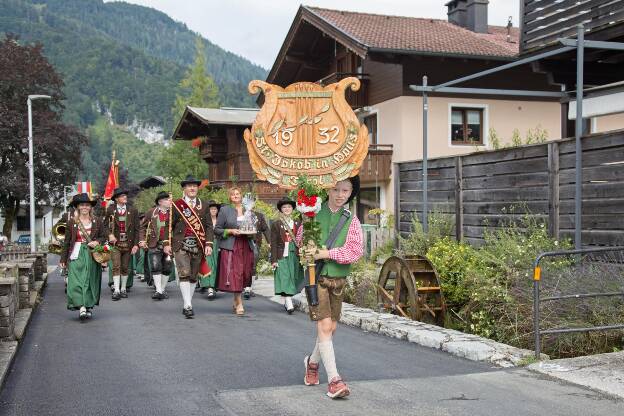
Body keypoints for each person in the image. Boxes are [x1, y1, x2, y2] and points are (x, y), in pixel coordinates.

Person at [300, 176, 363, 399]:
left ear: (350, 192)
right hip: (316, 278)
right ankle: (334, 380)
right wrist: (306, 245)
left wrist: (325, 253)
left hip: (339, 280)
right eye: (335, 189)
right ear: (327, 189)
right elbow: (301, 241)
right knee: (325, 326)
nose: (340, 194)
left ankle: (312, 363)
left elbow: (354, 252)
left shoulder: (351, 220)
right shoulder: (312, 212)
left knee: (331, 329)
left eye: (345, 190)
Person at [170, 175, 213, 318]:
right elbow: (168, 225)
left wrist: (208, 243)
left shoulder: (204, 205)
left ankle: (187, 302)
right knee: (185, 273)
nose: (192, 188)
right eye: (189, 186)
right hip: (180, 243)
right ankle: (188, 304)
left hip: (198, 244)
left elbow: (208, 226)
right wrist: (166, 243)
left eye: (194, 185)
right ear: (184, 188)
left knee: (194, 276)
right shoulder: (177, 205)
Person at [59, 193, 105, 321]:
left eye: (87, 205)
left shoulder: (98, 221)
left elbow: (103, 236)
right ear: (78, 207)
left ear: (90, 207)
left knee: (90, 280)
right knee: (76, 281)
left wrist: (97, 242)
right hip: (76, 253)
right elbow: (67, 242)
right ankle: (82, 307)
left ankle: (88, 305)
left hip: (92, 254)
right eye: (82, 205)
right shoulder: (71, 222)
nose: (84, 207)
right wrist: (63, 259)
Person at [214, 187, 255, 316]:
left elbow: (253, 228)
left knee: (245, 273)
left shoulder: (248, 210)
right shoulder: (225, 210)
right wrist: (230, 231)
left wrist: (251, 232)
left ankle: (236, 299)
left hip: (246, 245)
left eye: (238, 194)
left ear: (242, 196)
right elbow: (217, 229)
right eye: (233, 194)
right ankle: (239, 303)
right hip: (232, 246)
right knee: (235, 274)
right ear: (230, 197)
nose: (236, 196)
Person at [104, 188, 140, 301]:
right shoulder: (110, 210)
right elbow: (105, 226)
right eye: (122, 195)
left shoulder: (133, 210)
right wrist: (109, 235)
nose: (125, 197)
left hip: (128, 243)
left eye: (125, 195)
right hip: (115, 243)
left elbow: (137, 229)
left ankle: (123, 288)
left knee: (125, 267)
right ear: (116, 199)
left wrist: (136, 245)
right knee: (116, 266)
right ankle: (116, 290)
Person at [270, 197, 303, 314]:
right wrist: (273, 260)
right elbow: (273, 243)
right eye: (284, 207)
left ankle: (287, 298)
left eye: (289, 206)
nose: (287, 209)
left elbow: (301, 239)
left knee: (293, 276)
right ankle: (288, 301)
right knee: (284, 276)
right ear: (281, 209)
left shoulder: (298, 223)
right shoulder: (276, 224)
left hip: (295, 253)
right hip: (281, 253)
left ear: (292, 208)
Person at [139, 191, 173, 300]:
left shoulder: (174, 213)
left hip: (170, 245)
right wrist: (142, 240)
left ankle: (162, 289)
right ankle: (158, 290)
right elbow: (142, 227)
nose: (170, 201)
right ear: (160, 201)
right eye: (167, 199)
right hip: (154, 243)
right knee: (155, 266)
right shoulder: (151, 212)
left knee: (167, 267)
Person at [244, 209, 270, 300]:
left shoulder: (259, 215)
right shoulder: (240, 213)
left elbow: (265, 229)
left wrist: (269, 242)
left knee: (253, 264)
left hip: (255, 243)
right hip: (242, 243)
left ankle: (249, 288)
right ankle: (243, 286)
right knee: (243, 265)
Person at [199, 200, 221, 299]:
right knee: (208, 264)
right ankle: (209, 288)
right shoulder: (204, 221)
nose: (213, 210)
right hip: (207, 245)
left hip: (219, 245)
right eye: (211, 209)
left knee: (216, 265)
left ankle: (215, 285)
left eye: (215, 209)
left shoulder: (220, 220)